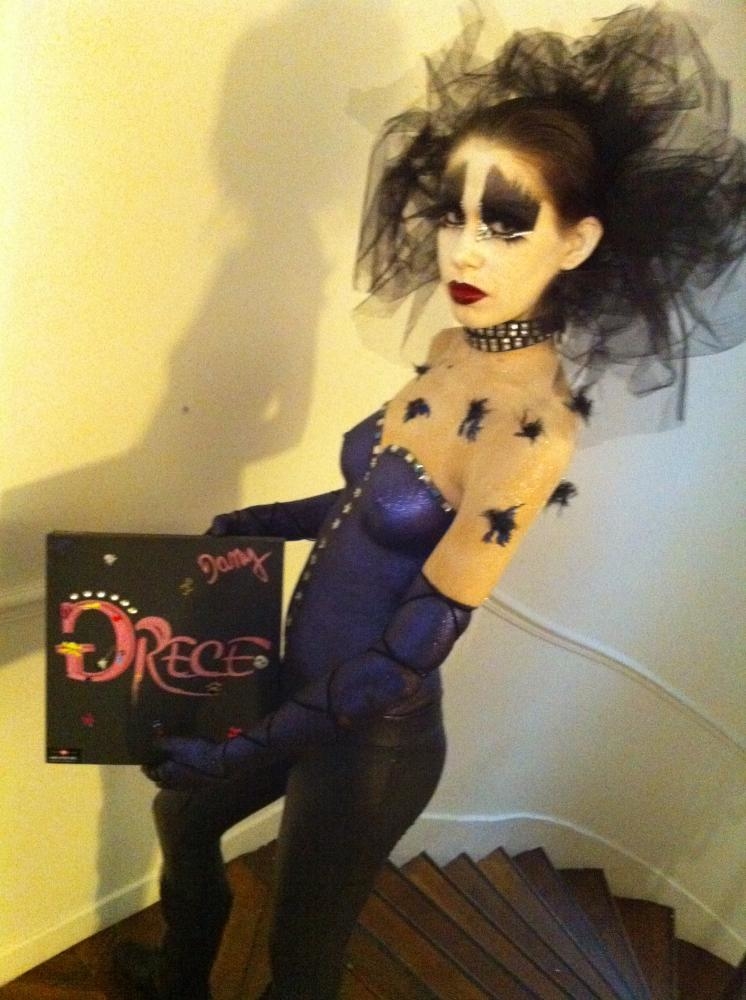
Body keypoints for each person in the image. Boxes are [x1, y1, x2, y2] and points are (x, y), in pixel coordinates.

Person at [121, 6, 745, 999]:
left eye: (506, 224)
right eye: (454, 216)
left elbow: (405, 653)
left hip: (368, 739)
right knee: (183, 817)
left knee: (300, 959)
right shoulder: (455, 348)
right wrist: (256, 526)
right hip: (296, 684)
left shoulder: (531, 432)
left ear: (577, 240)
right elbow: (373, 498)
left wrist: (239, 744)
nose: (464, 253)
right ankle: (180, 975)